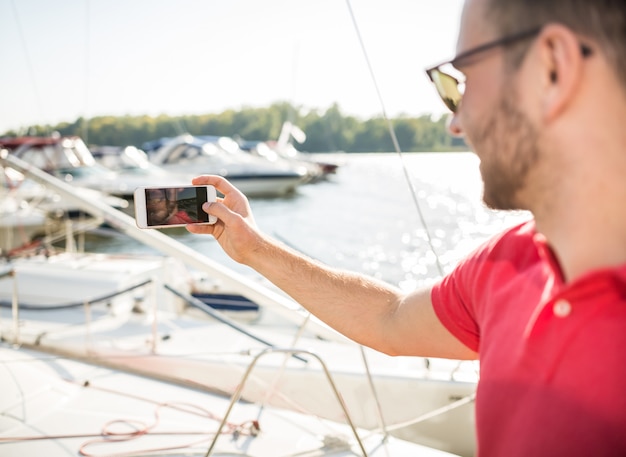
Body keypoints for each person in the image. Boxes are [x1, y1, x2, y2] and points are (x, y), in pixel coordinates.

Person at [187, 0, 626, 455]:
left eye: (462, 80)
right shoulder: (505, 264)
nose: (455, 123)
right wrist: (254, 248)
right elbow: (389, 318)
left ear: (552, 68)